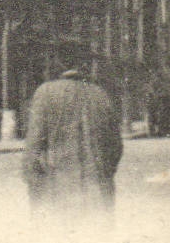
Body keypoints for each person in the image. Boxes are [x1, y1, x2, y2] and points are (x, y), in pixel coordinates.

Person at [23, 69, 122, 217]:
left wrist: (32, 178)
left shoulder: (45, 92)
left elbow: (34, 143)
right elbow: (115, 146)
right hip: (96, 190)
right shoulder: (100, 94)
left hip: (59, 188)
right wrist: (105, 174)